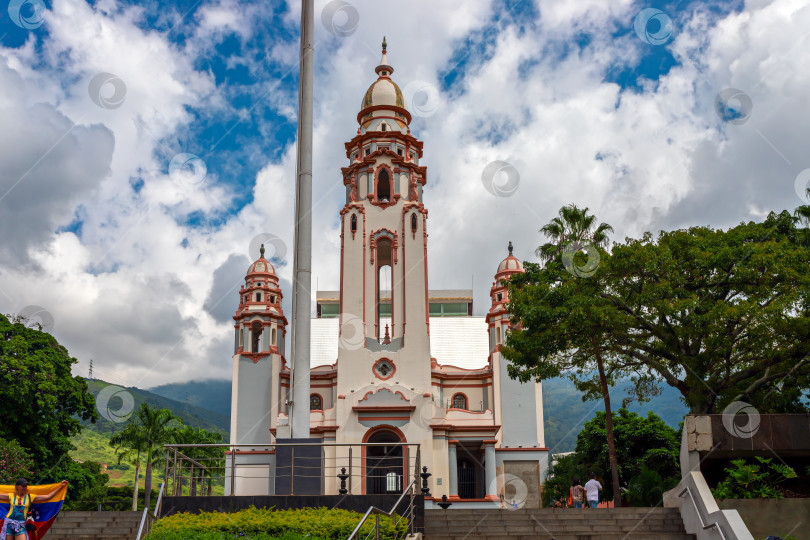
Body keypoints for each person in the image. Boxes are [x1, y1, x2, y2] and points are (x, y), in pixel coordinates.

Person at [1, 478, 68, 540]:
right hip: (9, 524)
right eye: (23, 486)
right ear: (17, 487)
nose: (25, 487)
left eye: (26, 486)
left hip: (21, 525)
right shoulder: (11, 496)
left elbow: (48, 497)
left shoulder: (30, 497)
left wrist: (60, 487)